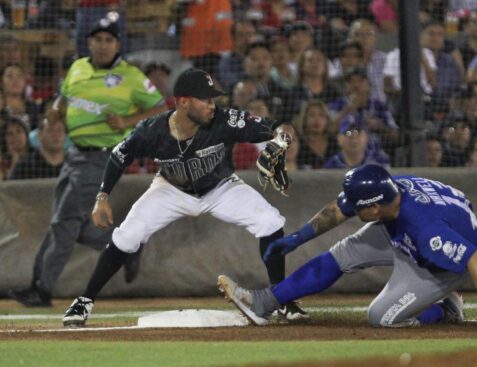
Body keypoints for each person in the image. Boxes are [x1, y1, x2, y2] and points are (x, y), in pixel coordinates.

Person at [60, 68, 306, 327]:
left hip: (221, 188)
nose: (213, 105)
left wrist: (282, 140)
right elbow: (119, 156)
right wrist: (102, 196)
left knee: (270, 221)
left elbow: (278, 126)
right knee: (127, 236)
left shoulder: (226, 120)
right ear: (183, 102)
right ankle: (85, 300)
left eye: (214, 99)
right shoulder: (152, 129)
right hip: (170, 190)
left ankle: (281, 297)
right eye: (206, 99)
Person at [218, 164, 477, 327]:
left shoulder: (427, 231)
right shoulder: (387, 194)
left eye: (358, 207)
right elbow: (337, 209)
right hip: (400, 227)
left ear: (373, 209)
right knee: (342, 253)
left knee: (382, 317)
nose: (351, 209)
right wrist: (298, 238)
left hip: (436, 263)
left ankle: (446, 311)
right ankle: (265, 303)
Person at [6, 18, 168, 307]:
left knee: (63, 222)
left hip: (102, 155)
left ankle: (41, 289)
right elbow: (62, 98)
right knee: (73, 225)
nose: (102, 44)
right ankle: (127, 248)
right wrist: (54, 112)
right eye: (98, 39)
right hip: (74, 154)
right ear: (89, 42)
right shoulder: (78, 67)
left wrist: (126, 120)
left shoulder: (130, 76)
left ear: (118, 44)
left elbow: (161, 108)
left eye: (109, 39)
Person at [7, 110, 66, 180]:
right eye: (50, 130)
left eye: (59, 130)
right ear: (39, 135)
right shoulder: (25, 166)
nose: (56, 135)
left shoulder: (73, 164)